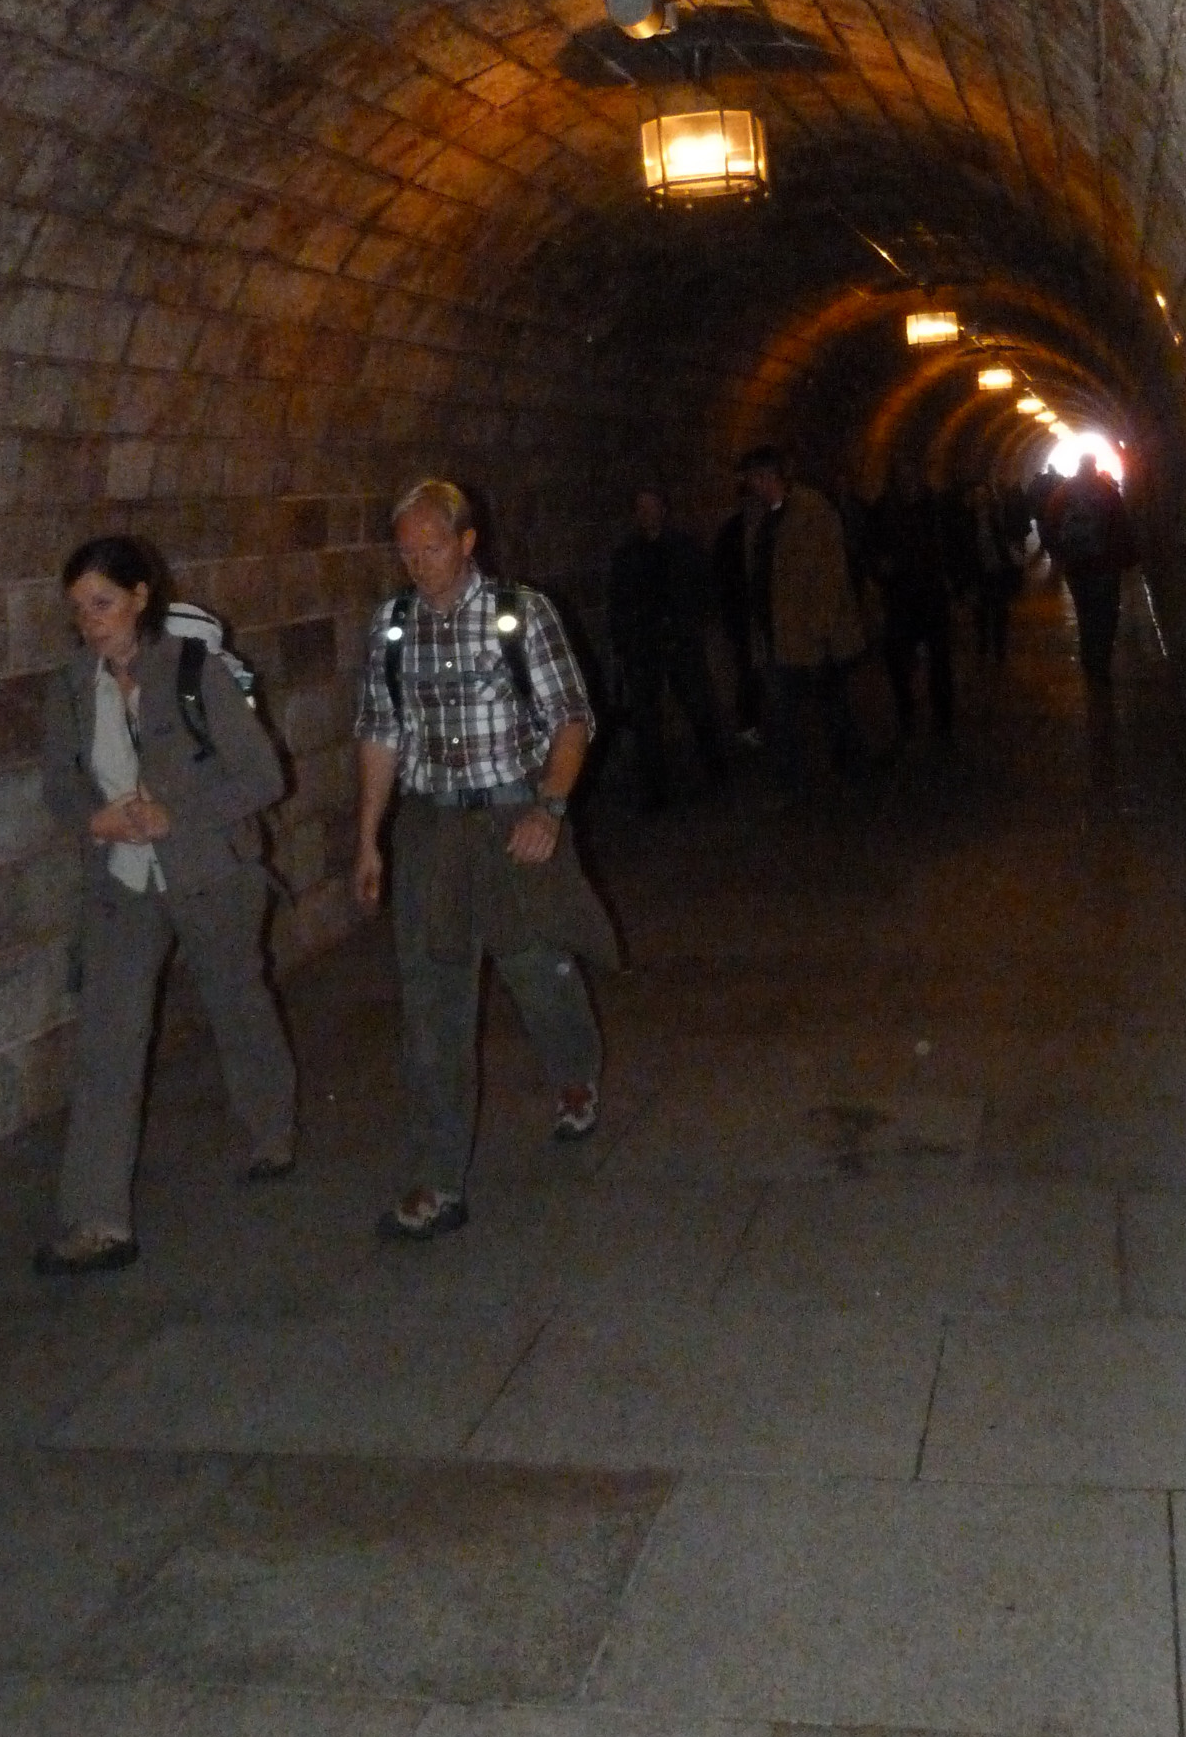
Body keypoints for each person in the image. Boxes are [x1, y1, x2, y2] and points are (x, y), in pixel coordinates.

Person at [352, 479, 618, 1243]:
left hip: (512, 815)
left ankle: (574, 1073)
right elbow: (379, 730)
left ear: (468, 542)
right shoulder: (393, 627)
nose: (419, 563)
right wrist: (368, 836)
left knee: (536, 964)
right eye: (406, 550)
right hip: (433, 826)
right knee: (431, 998)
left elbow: (571, 717)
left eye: (432, 547)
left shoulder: (520, 614)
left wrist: (549, 808)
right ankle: (438, 1180)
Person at [36, 536, 295, 1275]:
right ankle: (96, 1220)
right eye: (80, 610)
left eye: (104, 604)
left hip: (210, 869)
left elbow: (262, 775)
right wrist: (95, 820)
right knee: (109, 1040)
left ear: (141, 596)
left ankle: (270, 1130)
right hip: (122, 879)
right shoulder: (68, 685)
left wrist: (176, 812)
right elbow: (58, 782)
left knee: (236, 1000)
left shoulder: (192, 671)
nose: (92, 622)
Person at [740, 445, 866, 794]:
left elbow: (829, 572)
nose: (752, 486)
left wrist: (820, 627)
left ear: (770, 477)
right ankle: (790, 782)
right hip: (778, 635)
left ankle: (851, 766)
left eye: (756, 478)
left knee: (831, 705)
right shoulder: (761, 518)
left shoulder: (812, 510)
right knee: (783, 714)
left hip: (811, 634)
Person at [608, 486, 724, 810]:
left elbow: (703, 589)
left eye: (652, 506)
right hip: (644, 648)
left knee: (699, 707)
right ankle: (654, 790)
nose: (647, 514)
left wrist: (689, 623)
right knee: (647, 719)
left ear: (663, 508)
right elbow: (618, 602)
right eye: (640, 508)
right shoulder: (627, 555)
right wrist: (623, 643)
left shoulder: (684, 548)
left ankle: (717, 771)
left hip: (680, 642)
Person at [868, 461, 958, 747]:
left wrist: (953, 580)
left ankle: (943, 719)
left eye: (912, 475)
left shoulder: (934, 506)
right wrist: (880, 567)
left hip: (932, 595)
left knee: (940, 661)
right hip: (900, 596)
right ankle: (906, 712)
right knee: (896, 659)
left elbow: (949, 543)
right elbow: (869, 548)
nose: (908, 482)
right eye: (902, 476)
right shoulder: (882, 510)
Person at [1041, 462, 1136, 683]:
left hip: (1077, 567)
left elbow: (1049, 524)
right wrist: (1127, 559)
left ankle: (1088, 657)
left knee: (1085, 613)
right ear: (1093, 466)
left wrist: (1060, 555)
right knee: (1107, 614)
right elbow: (1121, 527)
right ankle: (1101, 663)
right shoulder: (1108, 491)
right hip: (1105, 566)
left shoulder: (1063, 491)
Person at [712, 482, 764, 745]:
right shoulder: (731, 532)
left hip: (766, 614)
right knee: (746, 669)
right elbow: (722, 574)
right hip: (742, 614)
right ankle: (748, 721)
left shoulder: (770, 527)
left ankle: (765, 718)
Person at [966, 479, 1024, 663]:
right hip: (978, 573)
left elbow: (1006, 543)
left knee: (1000, 612)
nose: (981, 500)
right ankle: (983, 646)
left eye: (984, 496)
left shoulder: (997, 519)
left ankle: (999, 650)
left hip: (999, 571)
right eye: (978, 496)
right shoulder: (966, 521)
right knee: (981, 613)